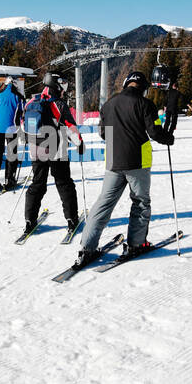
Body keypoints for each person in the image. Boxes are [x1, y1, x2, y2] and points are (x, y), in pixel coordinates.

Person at [72, 71, 174, 266]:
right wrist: (168, 138)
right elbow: (155, 131)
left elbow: (103, 133)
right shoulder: (146, 104)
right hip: (137, 161)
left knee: (104, 203)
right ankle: (136, 243)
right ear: (143, 88)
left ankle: (87, 247)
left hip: (113, 161)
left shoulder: (109, 104)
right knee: (140, 202)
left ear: (127, 83)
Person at [21, 74, 84, 236]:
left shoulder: (31, 101)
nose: (64, 88)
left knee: (37, 184)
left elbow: (23, 124)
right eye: (62, 84)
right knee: (64, 183)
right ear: (56, 85)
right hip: (57, 149)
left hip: (36, 150)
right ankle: (71, 219)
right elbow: (70, 127)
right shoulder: (58, 104)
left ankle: (29, 220)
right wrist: (80, 143)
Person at [0, 77, 24, 192]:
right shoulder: (18, 98)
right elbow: (23, 112)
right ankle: (9, 180)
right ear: (15, 86)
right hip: (12, 129)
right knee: (11, 154)